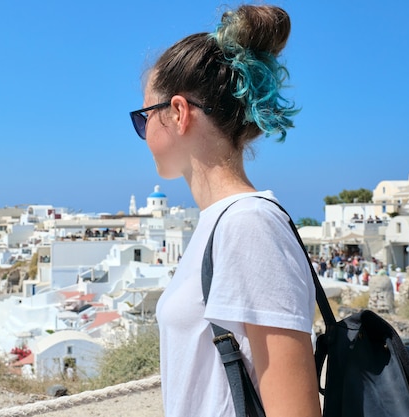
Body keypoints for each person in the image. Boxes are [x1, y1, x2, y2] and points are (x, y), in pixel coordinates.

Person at [129, 5, 320, 417]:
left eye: (144, 118)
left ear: (178, 113)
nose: (142, 134)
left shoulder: (249, 225)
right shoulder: (220, 224)